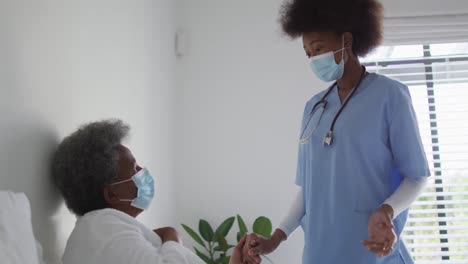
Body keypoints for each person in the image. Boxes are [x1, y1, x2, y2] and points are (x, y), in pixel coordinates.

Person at [242, 0, 430, 263]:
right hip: (320, 253)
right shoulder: (314, 108)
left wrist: (386, 212)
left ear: (347, 41)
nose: (314, 59)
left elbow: (416, 176)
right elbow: (308, 190)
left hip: (371, 251)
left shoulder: (390, 96)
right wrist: (276, 238)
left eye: (318, 48)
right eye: (308, 53)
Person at [52, 119, 249, 264]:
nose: (143, 172)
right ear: (111, 195)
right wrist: (172, 236)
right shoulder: (101, 229)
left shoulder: (108, 231)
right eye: (135, 169)